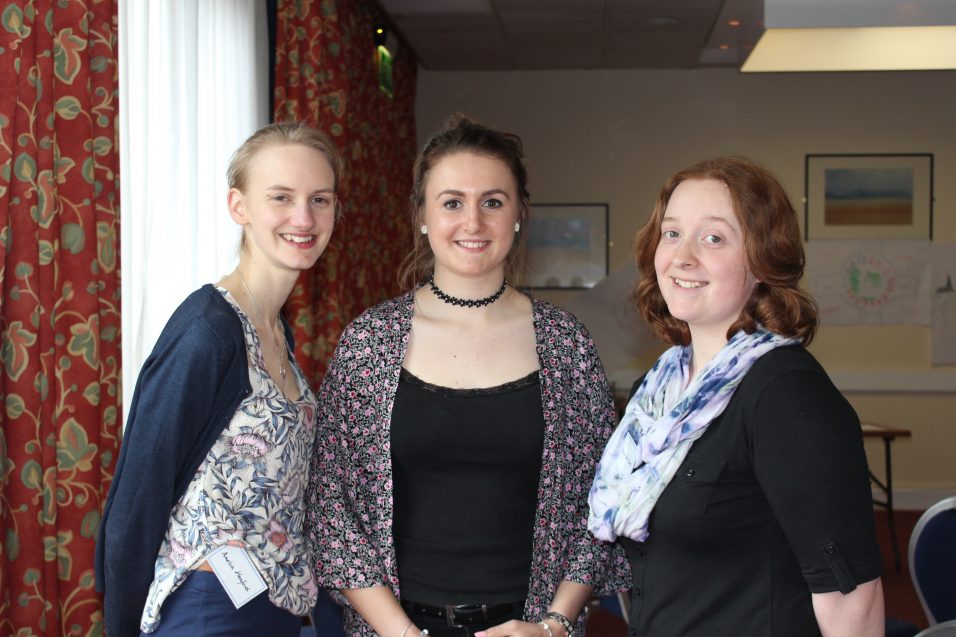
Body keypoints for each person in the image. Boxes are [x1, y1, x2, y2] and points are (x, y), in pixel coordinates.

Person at [307, 114, 629, 637]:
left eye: (493, 202)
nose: (473, 223)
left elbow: (601, 503)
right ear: (423, 217)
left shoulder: (566, 344)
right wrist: (401, 633)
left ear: (519, 215)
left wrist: (552, 625)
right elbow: (332, 510)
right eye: (452, 202)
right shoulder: (369, 342)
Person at [588, 156, 885, 636]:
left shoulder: (785, 394)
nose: (683, 256)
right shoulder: (662, 388)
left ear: (763, 260)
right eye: (672, 233)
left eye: (714, 238)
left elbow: (853, 599)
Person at [94, 122, 343, 637]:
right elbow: (140, 491)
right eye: (281, 197)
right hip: (209, 606)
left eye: (320, 199)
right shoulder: (208, 329)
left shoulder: (275, 330)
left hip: (274, 606)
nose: (304, 217)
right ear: (239, 207)